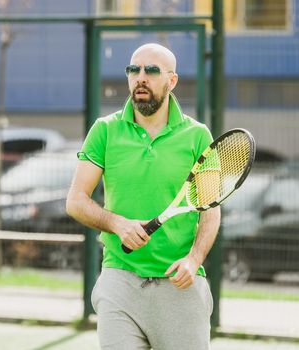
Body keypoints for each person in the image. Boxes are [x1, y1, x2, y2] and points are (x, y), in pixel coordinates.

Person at [66, 43, 221, 350]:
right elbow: (76, 201)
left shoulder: (197, 136)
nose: (140, 77)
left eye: (151, 71)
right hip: (119, 280)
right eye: (133, 70)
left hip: (180, 284)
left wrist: (194, 259)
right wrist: (117, 224)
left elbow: (210, 210)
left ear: (171, 80)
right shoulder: (105, 131)